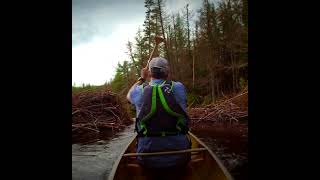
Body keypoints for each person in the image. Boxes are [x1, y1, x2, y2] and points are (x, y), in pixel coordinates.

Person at [126, 57, 191, 172]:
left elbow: (128, 96)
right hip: (181, 158)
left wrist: (141, 78)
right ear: (167, 72)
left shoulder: (139, 90)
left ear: (150, 73)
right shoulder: (179, 87)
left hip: (147, 160)